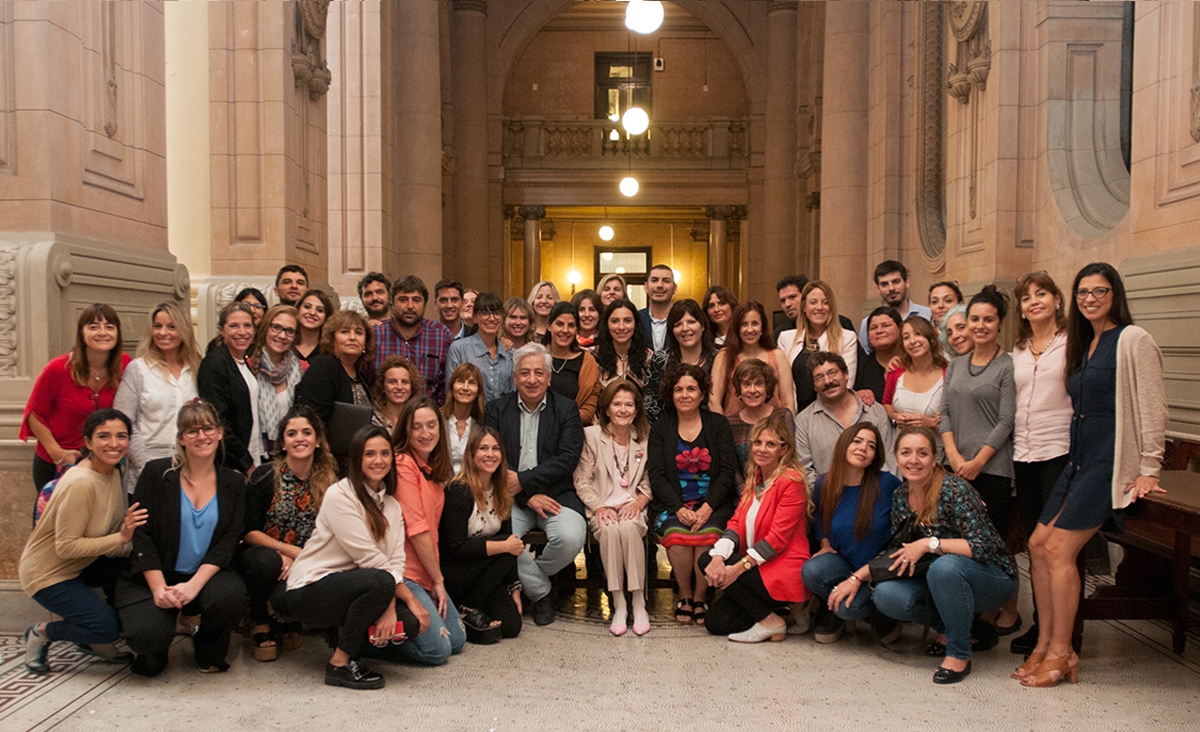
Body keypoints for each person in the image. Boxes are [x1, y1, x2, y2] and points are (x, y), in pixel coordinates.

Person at [1021, 263, 1167, 688]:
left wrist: (1149, 468)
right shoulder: (1085, 344)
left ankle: (1064, 653)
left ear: (1114, 293)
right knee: (1036, 543)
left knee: (1061, 550)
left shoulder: (1132, 339)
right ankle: (1045, 644)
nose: (1090, 299)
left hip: (1109, 464)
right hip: (1079, 460)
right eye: (1083, 291)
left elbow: (1154, 405)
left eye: (1099, 291)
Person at [872, 427, 1017, 685]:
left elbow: (983, 545)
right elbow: (899, 549)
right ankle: (950, 630)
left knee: (946, 567)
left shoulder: (954, 488)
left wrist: (931, 543)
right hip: (937, 578)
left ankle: (958, 654)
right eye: (906, 452)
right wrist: (857, 577)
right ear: (896, 458)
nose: (913, 460)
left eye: (922, 453)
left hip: (991, 577)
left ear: (935, 458)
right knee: (886, 594)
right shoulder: (901, 496)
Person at [285, 425, 427, 690]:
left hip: (356, 586)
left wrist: (392, 607)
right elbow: (369, 558)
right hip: (310, 590)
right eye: (369, 454)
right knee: (386, 587)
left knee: (407, 622)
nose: (378, 460)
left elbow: (396, 560)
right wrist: (402, 599)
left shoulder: (392, 506)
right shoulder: (340, 495)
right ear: (357, 459)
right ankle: (339, 664)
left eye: (385, 453)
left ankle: (343, 636)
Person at [115, 401, 249, 677]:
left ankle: (203, 638)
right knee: (148, 653)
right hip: (157, 575)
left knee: (231, 597)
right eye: (192, 431)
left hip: (204, 575)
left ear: (220, 433)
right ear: (180, 439)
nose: (202, 436)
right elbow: (142, 534)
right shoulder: (156, 474)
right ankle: (164, 629)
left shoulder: (233, 483)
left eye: (208, 428)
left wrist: (193, 586)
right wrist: (158, 589)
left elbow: (228, 541)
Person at [20, 409, 146, 674]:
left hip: (81, 564)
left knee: (138, 567)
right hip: (48, 573)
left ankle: (92, 635)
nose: (114, 443)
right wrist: (122, 538)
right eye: (104, 436)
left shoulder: (112, 470)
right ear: (88, 442)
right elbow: (65, 547)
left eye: (121, 436)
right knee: (107, 627)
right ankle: (42, 632)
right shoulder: (81, 482)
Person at [484, 343, 586, 626]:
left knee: (570, 538)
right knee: (498, 542)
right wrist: (527, 495)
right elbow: (488, 458)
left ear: (549, 377)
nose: (532, 379)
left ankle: (521, 582)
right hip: (509, 496)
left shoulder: (566, 409)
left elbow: (567, 459)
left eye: (539, 373)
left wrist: (525, 482)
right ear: (514, 377)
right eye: (525, 373)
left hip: (556, 495)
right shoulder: (495, 409)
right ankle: (541, 593)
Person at [939, 284, 1017, 634]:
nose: (980, 325)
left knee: (992, 542)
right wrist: (954, 456)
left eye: (988, 319)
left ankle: (999, 611)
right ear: (965, 323)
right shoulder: (955, 365)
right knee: (958, 541)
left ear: (1000, 323)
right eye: (974, 319)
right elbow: (944, 413)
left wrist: (978, 462)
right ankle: (965, 609)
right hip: (954, 467)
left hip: (993, 469)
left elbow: (1006, 420)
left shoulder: (1007, 366)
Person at [699, 413, 810, 642]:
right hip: (759, 567)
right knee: (716, 623)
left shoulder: (791, 481)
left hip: (782, 568)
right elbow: (736, 522)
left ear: (784, 449)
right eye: (758, 442)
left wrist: (737, 568)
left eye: (771, 444)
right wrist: (720, 558)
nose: (762, 449)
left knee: (705, 561)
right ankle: (770, 612)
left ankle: (773, 622)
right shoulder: (756, 479)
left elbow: (776, 540)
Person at [238, 405, 337, 661]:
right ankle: (260, 620)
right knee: (265, 561)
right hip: (263, 555)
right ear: (282, 442)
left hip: (308, 560)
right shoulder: (264, 477)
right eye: (292, 434)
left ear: (317, 441)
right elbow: (249, 532)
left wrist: (302, 559)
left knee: (287, 596)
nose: (300, 438)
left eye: (307, 432)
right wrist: (287, 551)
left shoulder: (330, 482)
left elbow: (332, 534)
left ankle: (285, 613)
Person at [1007, 270, 1072, 657]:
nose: (1034, 301)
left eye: (1041, 294)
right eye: (1027, 297)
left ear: (1057, 301)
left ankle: (1063, 634)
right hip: (1024, 454)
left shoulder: (1072, 346)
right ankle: (1041, 626)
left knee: (1056, 547)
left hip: (1059, 452)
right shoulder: (1017, 351)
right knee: (1033, 545)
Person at [647, 363, 738, 626]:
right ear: (670, 394)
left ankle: (701, 597)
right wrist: (679, 508)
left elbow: (727, 472)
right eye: (678, 389)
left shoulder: (718, 424)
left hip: (714, 504)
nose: (684, 395)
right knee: (678, 537)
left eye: (691, 389)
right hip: (672, 505)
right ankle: (685, 595)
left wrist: (707, 507)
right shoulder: (662, 426)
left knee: (706, 537)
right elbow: (657, 474)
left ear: (701, 394)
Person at [802, 422, 902, 645]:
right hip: (844, 565)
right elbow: (820, 517)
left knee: (850, 608)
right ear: (844, 444)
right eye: (857, 441)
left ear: (875, 455)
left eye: (871, 446)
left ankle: (879, 612)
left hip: (879, 571)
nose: (863, 448)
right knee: (812, 570)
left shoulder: (888, 484)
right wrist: (825, 544)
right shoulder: (825, 483)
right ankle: (835, 607)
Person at [22, 304, 130, 499]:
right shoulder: (58, 369)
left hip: (103, 462)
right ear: (82, 333)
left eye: (109, 326)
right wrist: (58, 454)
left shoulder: (126, 366)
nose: (102, 332)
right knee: (57, 526)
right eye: (94, 326)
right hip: (58, 463)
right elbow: (34, 414)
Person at [390, 397, 467, 665]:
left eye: (431, 425)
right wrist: (438, 580)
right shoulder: (402, 464)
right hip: (404, 574)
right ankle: (365, 642)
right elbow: (418, 530)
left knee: (457, 639)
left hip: (426, 571)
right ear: (406, 431)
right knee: (438, 651)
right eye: (417, 427)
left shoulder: (431, 471)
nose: (425, 433)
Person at [573, 380, 653, 637]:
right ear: (606, 409)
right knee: (609, 530)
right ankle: (618, 603)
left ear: (636, 409)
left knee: (629, 529)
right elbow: (582, 481)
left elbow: (650, 479)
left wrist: (640, 502)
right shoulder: (591, 436)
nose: (623, 409)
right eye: (617, 404)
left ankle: (639, 602)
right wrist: (598, 507)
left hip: (633, 506)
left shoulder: (644, 438)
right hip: (602, 507)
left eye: (629, 404)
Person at [439, 427, 524, 641]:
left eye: (496, 449)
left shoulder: (501, 490)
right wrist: (503, 547)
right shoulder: (460, 490)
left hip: (483, 572)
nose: (490, 454)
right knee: (505, 546)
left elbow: (510, 540)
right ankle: (467, 608)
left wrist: (514, 588)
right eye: (483, 448)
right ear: (471, 454)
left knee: (512, 626)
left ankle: (468, 612)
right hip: (455, 571)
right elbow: (457, 547)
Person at [114, 301, 200, 493]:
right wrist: (146, 467)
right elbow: (124, 423)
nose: (163, 333)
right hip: (145, 468)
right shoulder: (138, 369)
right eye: (158, 326)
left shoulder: (196, 369)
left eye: (171, 327)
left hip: (189, 470)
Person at [795, 352, 895, 488]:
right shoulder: (804, 422)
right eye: (819, 377)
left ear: (846, 374)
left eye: (832, 373)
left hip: (875, 499)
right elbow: (806, 473)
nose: (828, 381)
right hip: (828, 503)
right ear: (814, 386)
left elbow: (889, 460)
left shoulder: (874, 411)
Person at [198, 302, 263, 472]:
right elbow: (217, 420)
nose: (242, 332)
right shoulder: (215, 363)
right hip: (229, 463)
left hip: (249, 452)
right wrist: (246, 462)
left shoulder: (241, 361)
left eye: (247, 325)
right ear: (221, 330)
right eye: (234, 326)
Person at [374, 275, 453, 405]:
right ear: (392, 302)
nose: (410, 306)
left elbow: (447, 385)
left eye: (416, 300)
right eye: (403, 300)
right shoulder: (376, 334)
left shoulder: (441, 335)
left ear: (425, 304)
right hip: (383, 417)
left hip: (427, 417)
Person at [295, 309, 375, 437]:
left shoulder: (362, 372)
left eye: (359, 332)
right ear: (332, 339)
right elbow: (312, 422)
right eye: (345, 332)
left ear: (365, 343)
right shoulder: (323, 369)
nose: (352, 337)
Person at [782, 281, 858, 411]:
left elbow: (846, 384)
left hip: (833, 412)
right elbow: (784, 387)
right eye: (813, 302)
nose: (819, 307)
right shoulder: (786, 338)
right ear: (804, 308)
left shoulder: (846, 338)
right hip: (796, 414)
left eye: (825, 302)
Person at [710, 301, 796, 416]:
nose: (750, 330)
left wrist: (787, 429)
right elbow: (714, 401)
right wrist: (722, 431)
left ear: (762, 327)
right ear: (737, 328)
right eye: (744, 324)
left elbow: (788, 402)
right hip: (735, 429)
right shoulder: (725, 357)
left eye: (755, 323)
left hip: (774, 428)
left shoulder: (777, 356)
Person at [884, 316, 947, 458]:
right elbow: (886, 403)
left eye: (918, 334)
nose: (912, 341)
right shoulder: (896, 371)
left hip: (936, 454)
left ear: (930, 338)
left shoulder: (948, 373)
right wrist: (895, 416)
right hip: (900, 453)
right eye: (906, 337)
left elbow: (956, 416)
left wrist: (931, 423)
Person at [643, 299, 717, 421]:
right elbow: (650, 404)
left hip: (711, 431)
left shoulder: (718, 358)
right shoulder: (661, 360)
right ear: (672, 330)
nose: (685, 328)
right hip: (670, 433)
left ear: (702, 325)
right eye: (678, 324)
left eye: (691, 322)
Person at [729, 359, 795, 483]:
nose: (752, 390)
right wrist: (746, 494)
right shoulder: (730, 423)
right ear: (739, 389)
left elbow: (789, 458)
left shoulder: (783, 416)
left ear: (767, 388)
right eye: (746, 384)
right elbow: (733, 468)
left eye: (759, 384)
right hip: (743, 493)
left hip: (780, 487)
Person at [252, 305, 304, 454]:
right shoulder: (249, 367)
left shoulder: (302, 369)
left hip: (292, 450)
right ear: (266, 329)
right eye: (276, 327)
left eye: (289, 331)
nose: (282, 336)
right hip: (259, 451)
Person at [446, 292, 513, 403]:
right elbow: (451, 392)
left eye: (496, 313)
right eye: (484, 313)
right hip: (470, 417)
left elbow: (513, 395)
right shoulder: (459, 349)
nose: (491, 318)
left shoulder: (510, 354)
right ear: (475, 318)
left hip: (502, 418)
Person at [543, 302, 601, 425]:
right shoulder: (536, 356)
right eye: (559, 324)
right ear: (549, 326)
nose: (565, 330)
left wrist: (557, 420)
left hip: (572, 431)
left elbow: (589, 410)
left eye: (571, 325)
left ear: (576, 330)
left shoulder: (587, 362)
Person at [859, 260, 933, 354]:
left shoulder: (928, 315)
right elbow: (868, 355)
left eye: (896, 282)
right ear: (878, 289)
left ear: (906, 282)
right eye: (884, 284)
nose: (891, 288)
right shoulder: (868, 324)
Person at [595, 299, 654, 389]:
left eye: (627, 321)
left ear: (636, 324)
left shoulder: (649, 357)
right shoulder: (593, 356)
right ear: (607, 324)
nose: (621, 327)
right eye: (615, 321)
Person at [442, 363, 486, 474]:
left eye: (472, 383)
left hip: (472, 487)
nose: (465, 388)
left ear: (478, 391)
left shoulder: (483, 424)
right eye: (460, 381)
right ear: (452, 386)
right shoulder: (437, 420)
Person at [855, 307, 903, 405]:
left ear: (900, 329)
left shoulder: (913, 361)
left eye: (886, 325)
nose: (879, 331)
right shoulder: (861, 366)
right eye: (873, 328)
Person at [372, 355, 423, 434]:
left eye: (404, 382)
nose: (399, 387)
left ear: (412, 387)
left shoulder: (419, 418)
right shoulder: (372, 418)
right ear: (382, 387)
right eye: (392, 382)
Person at [639, 265, 677, 352]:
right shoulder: (636, 319)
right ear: (646, 287)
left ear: (674, 288)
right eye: (654, 280)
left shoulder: (683, 319)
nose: (660, 285)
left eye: (666, 281)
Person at [295, 289, 334, 366]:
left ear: (327, 316)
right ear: (298, 310)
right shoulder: (285, 344)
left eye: (320, 310)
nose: (312, 313)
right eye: (307, 307)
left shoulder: (331, 351)